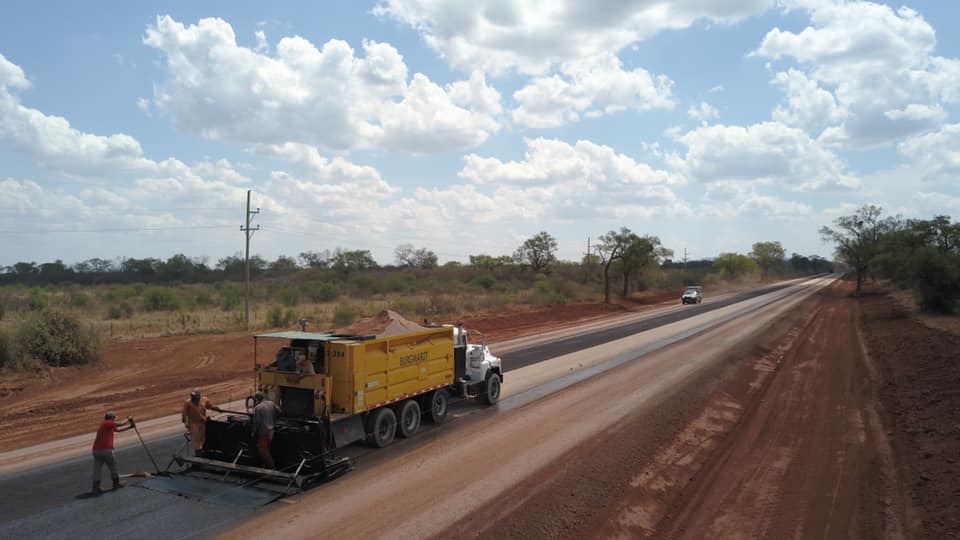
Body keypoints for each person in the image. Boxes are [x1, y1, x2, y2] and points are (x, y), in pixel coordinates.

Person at [91, 411, 134, 494]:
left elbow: (118, 430)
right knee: (113, 467)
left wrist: (130, 427)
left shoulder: (105, 425)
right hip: (106, 450)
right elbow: (120, 424)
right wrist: (128, 418)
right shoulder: (108, 423)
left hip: (96, 450)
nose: (114, 420)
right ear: (111, 418)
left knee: (97, 469)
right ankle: (116, 484)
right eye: (114, 418)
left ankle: (95, 488)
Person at [181, 388, 222, 456]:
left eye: (194, 395)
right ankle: (198, 454)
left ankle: (203, 453)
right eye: (192, 395)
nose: (193, 397)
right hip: (193, 424)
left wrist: (217, 409)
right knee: (196, 441)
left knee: (203, 440)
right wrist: (187, 424)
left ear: (198, 395)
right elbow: (185, 414)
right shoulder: (188, 402)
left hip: (202, 422)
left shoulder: (204, 400)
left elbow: (210, 406)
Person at [250, 391, 281, 469]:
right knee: (268, 449)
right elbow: (279, 411)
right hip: (271, 432)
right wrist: (274, 420)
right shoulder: (271, 403)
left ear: (256, 399)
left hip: (263, 432)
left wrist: (254, 432)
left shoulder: (258, 408)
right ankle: (265, 466)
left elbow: (257, 422)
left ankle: (272, 468)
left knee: (263, 451)